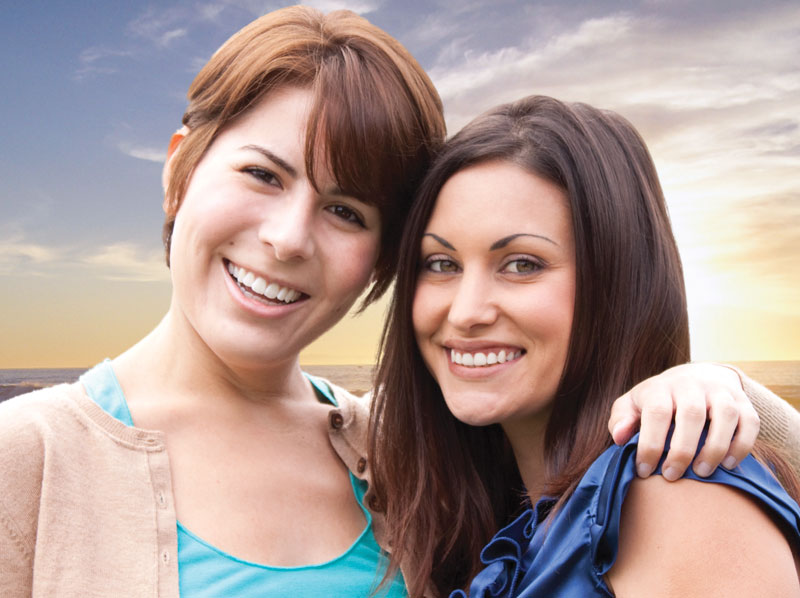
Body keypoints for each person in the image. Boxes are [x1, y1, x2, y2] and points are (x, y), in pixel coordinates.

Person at [0, 7, 790, 597]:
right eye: (262, 175)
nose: (286, 238)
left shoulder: (404, 448)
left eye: (348, 211)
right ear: (180, 170)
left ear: (381, 261)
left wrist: (711, 389)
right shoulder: (28, 458)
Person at [370, 95, 800, 597]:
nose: (466, 312)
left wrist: (733, 389)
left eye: (522, 264)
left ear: (617, 281)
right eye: (441, 264)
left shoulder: (676, 489)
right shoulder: (489, 513)